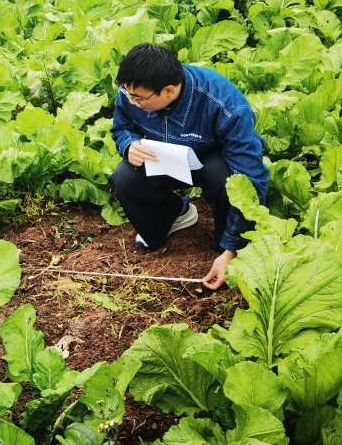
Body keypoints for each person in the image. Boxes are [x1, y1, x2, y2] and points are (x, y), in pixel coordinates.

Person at [109, 43, 268, 290]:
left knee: (228, 180)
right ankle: (175, 215)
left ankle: (225, 244)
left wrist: (232, 249)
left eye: (138, 99)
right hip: (162, 159)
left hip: (209, 162)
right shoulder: (133, 90)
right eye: (128, 94)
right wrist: (128, 145)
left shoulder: (224, 103)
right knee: (124, 178)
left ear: (169, 90)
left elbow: (251, 177)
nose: (131, 101)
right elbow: (122, 127)